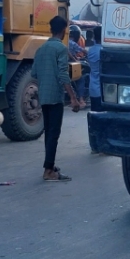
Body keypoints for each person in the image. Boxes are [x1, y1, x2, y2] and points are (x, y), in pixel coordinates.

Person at [32, 16, 84, 182]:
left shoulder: (41, 49)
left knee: (49, 131)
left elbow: (34, 73)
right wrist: (73, 98)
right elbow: (63, 74)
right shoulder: (61, 48)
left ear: (50, 29)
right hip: (55, 95)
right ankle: (48, 171)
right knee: (54, 133)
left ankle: (49, 165)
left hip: (43, 95)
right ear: (63, 30)